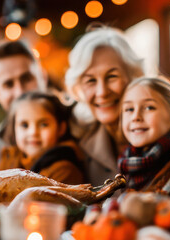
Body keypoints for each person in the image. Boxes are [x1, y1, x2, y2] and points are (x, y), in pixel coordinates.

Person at [64, 26, 145, 186]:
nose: (102, 92)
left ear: (133, 76)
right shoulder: (76, 142)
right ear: (78, 87)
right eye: (91, 80)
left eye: (112, 76)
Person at [0, 40, 47, 173]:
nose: (19, 92)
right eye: (8, 84)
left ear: (43, 77)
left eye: (26, 79)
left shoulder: (77, 126)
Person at [0, 91, 85, 184]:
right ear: (14, 128)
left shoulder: (65, 170)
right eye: (24, 125)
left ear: (61, 129)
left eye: (43, 124)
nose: (33, 132)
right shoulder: (9, 157)